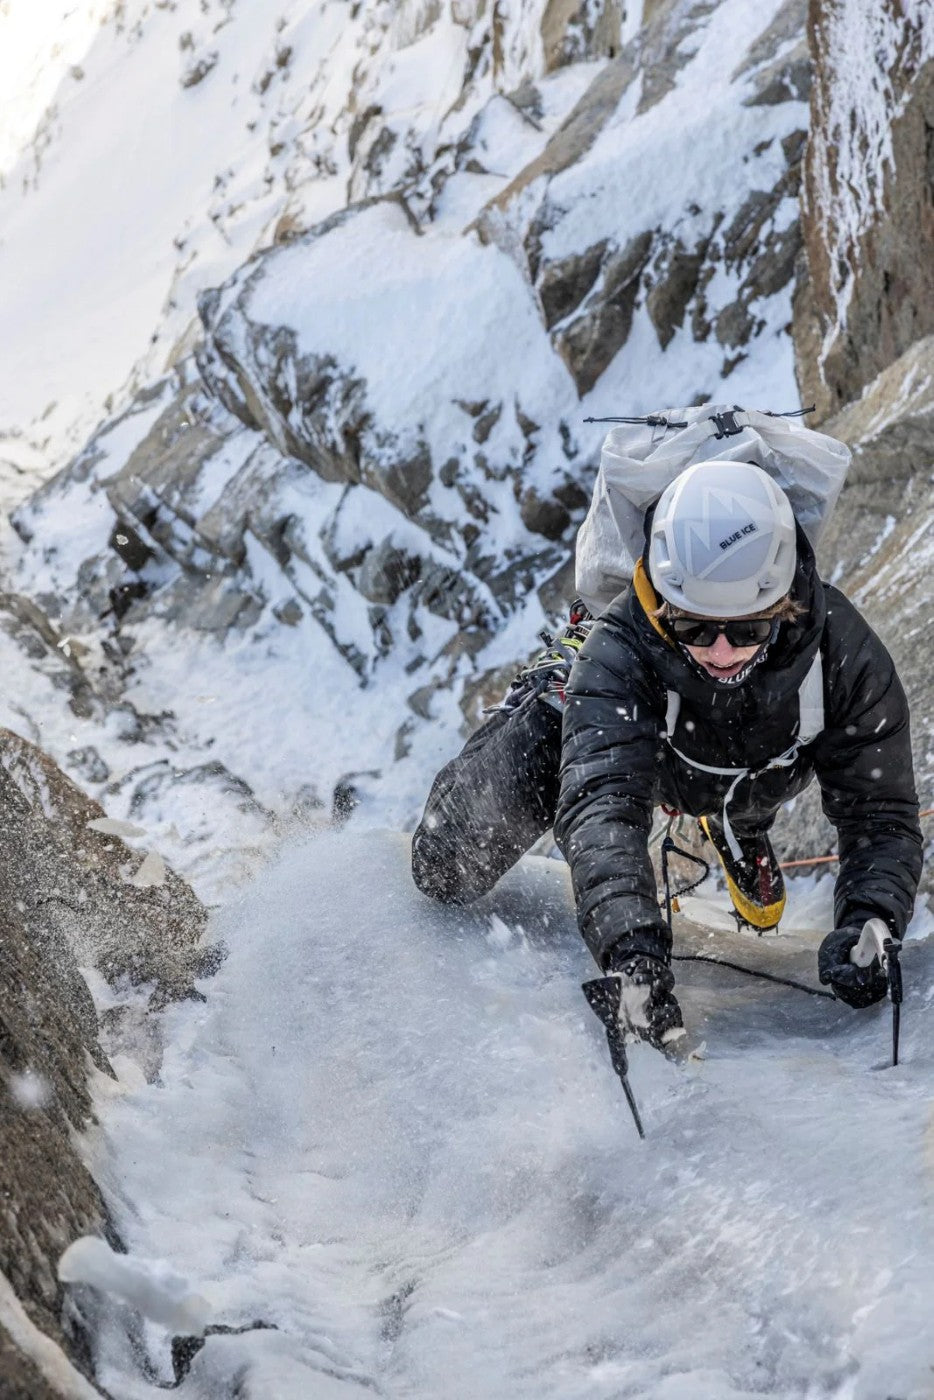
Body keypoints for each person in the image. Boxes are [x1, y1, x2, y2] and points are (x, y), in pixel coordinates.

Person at [411, 430, 923, 1048]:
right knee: (443, 865)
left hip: (760, 759)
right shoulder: (618, 654)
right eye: (695, 628)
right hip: (652, 748)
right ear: (659, 607)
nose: (722, 653)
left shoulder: (845, 654)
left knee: (758, 745)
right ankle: (555, 696)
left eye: (749, 628)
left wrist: (870, 921)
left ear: (787, 604)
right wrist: (633, 952)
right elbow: (603, 811)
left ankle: (736, 819)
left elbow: (880, 815)